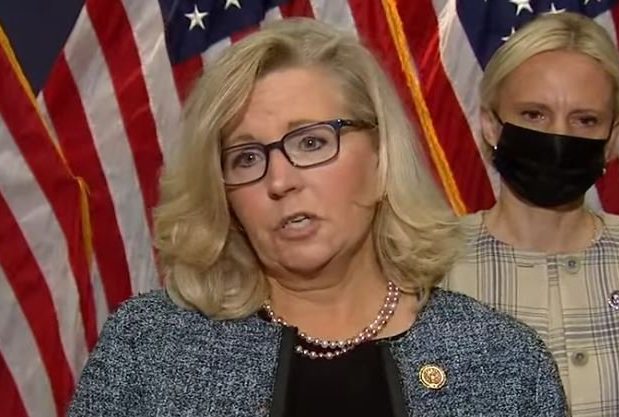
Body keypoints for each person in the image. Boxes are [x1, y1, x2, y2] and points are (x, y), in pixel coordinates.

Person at [67, 18, 567, 417]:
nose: (280, 180)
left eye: (311, 142)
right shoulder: (148, 347)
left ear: (380, 158)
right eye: (246, 157)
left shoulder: (500, 357)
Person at [442, 12, 619, 416]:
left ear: (612, 138)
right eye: (534, 114)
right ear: (491, 125)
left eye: (585, 120)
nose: (558, 135)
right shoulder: (430, 268)